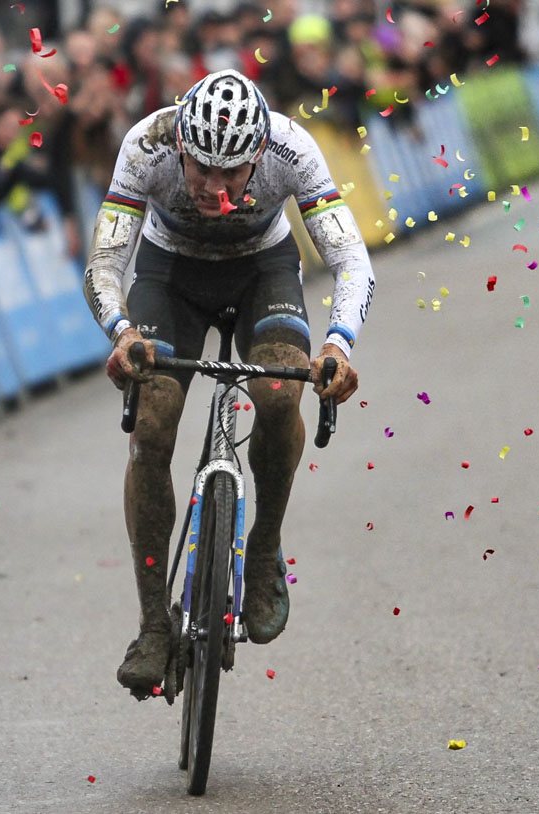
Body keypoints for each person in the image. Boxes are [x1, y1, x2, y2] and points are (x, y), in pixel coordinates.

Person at [82, 69, 374, 699]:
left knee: (278, 394)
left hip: (261, 272)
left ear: (259, 156)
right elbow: (105, 262)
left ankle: (264, 545)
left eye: (232, 174)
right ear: (182, 145)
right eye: (201, 170)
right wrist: (123, 332)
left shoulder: (292, 148)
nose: (213, 187)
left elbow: (351, 259)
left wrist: (337, 345)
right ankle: (153, 626)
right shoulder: (146, 144)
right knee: (154, 425)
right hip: (169, 276)